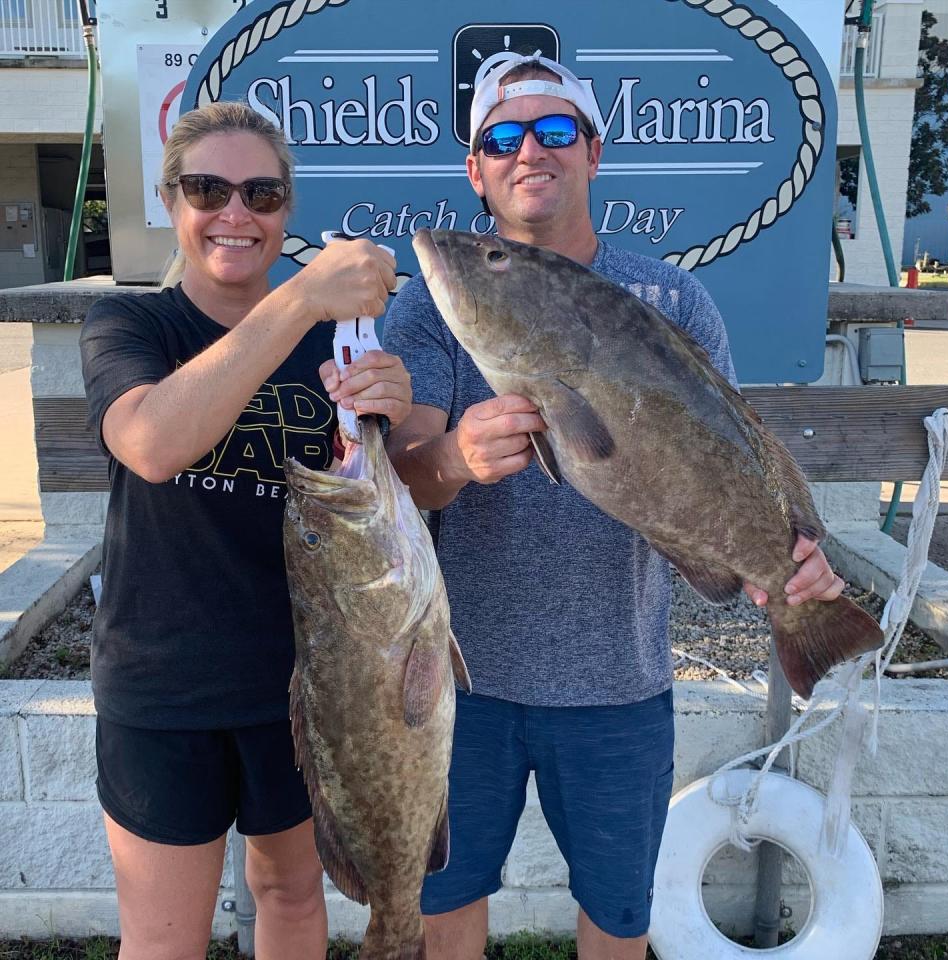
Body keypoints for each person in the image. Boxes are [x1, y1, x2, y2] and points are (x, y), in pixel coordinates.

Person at [378, 54, 846, 960]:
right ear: (475, 169)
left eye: (555, 131)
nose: (529, 153)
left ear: (594, 151)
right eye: (501, 138)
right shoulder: (431, 307)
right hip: (458, 676)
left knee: (619, 916)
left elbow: (731, 458)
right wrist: (457, 458)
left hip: (617, 681)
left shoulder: (673, 298)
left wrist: (792, 555)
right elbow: (402, 478)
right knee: (447, 900)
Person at [80, 100, 411, 960]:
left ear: (285, 209)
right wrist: (301, 294)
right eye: (208, 189)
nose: (236, 214)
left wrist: (394, 418)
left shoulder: (338, 343)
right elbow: (152, 443)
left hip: (306, 688)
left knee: (293, 897)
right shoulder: (131, 325)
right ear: (171, 201)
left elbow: (390, 511)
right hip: (164, 687)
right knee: (161, 942)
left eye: (262, 194)